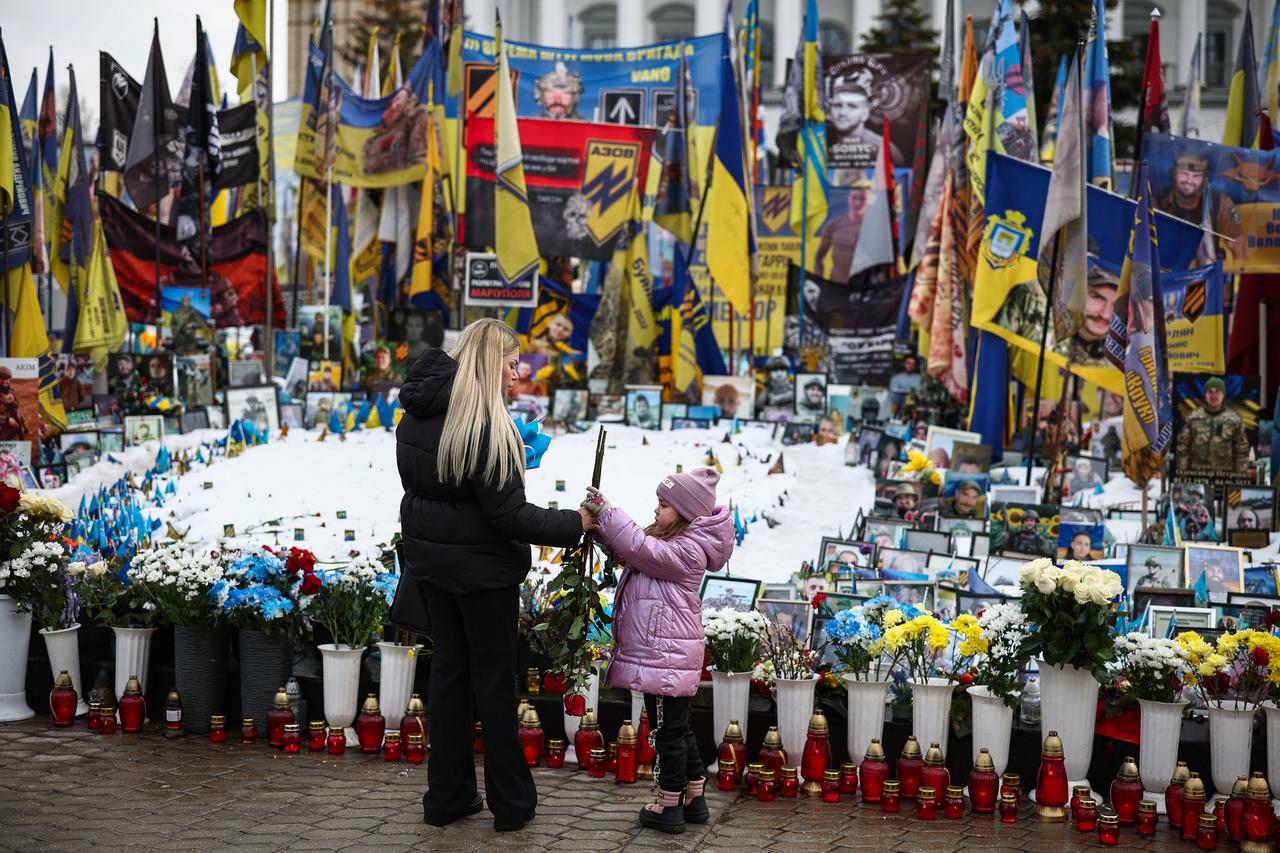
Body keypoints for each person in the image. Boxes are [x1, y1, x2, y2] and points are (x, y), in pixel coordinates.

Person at [396, 318, 588, 832]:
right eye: (511, 362)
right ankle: (511, 804)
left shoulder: (417, 417)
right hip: (483, 575)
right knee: (496, 688)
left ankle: (447, 797)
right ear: (488, 363)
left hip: (433, 569)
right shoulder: (484, 424)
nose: (518, 372)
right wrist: (577, 524)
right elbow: (509, 516)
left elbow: (435, 489)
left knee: (450, 679)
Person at [579, 468, 734, 835]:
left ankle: (667, 804)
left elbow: (640, 548)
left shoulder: (688, 550)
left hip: (666, 657)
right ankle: (693, 796)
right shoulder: (672, 541)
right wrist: (601, 531)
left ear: (686, 513)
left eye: (663, 505)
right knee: (677, 729)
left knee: (667, 731)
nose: (656, 511)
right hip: (664, 655)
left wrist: (608, 513)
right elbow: (633, 552)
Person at [1155, 152, 1242, 258]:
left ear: (1205, 179)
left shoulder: (1221, 202)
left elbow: (1238, 244)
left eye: (1196, 176)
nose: (1189, 180)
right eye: (1184, 174)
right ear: (1174, 174)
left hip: (1205, 269)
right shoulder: (1158, 201)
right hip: (1166, 267)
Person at [1175, 377, 1251, 478]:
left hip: (1224, 477)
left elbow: (1241, 451)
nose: (1214, 395)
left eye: (1217, 392)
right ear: (1205, 395)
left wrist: (1240, 478)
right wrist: (1182, 476)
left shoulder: (1234, 419)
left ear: (1223, 395)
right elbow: (1182, 448)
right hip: (1197, 476)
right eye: (1210, 392)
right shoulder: (1193, 417)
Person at [813, 188, 868, 281]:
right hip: (837, 287)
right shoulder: (833, 225)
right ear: (848, 198)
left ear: (868, 200)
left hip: (863, 288)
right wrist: (819, 282)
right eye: (854, 198)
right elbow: (818, 257)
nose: (857, 203)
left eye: (862, 198)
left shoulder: (874, 227)